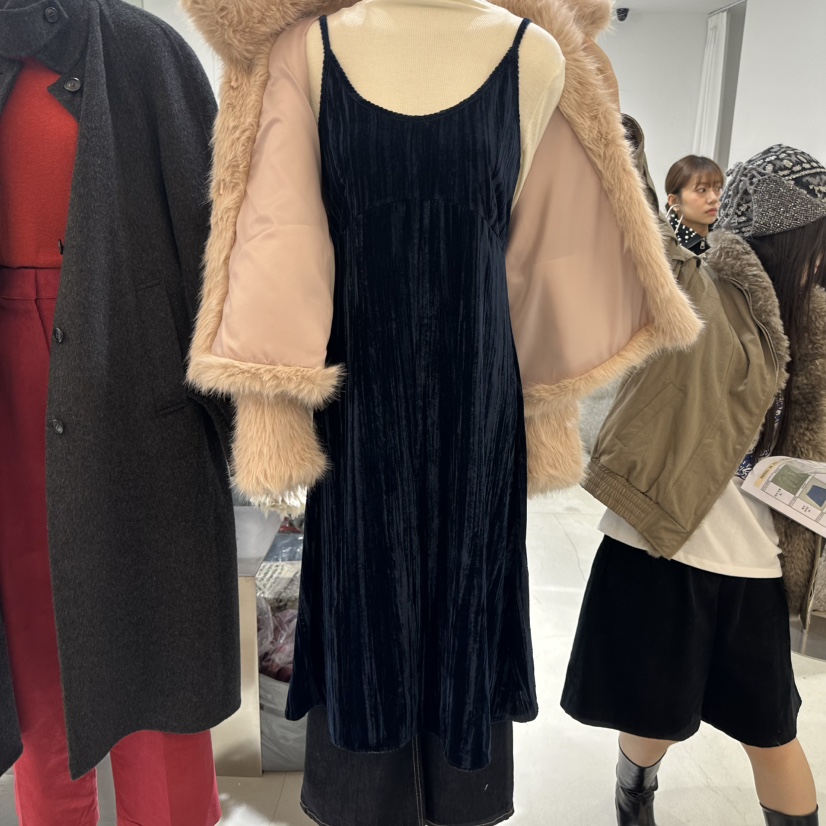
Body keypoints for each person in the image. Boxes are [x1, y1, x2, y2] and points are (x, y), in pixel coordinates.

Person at [182, 0, 701, 822]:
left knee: (469, 588)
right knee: (364, 597)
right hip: (360, 399)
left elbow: (543, 254)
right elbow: (284, 233)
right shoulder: (308, 51)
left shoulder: (533, 53)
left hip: (478, 394)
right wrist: (276, 398)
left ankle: (461, 796)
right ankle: (366, 797)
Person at [0, 0, 239, 823]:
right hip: (9, 394)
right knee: (35, 648)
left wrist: (254, 420)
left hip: (137, 382)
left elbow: (221, 243)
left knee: (156, 640)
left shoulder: (143, 49)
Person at [562, 143, 826, 826]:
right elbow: (632, 237)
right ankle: (634, 790)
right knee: (654, 716)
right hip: (662, 541)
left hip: (756, 560)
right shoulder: (694, 287)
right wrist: (611, 136)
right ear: (788, 235)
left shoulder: (814, 322)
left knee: (772, 731)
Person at [665, 155, 725, 254]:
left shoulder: (731, 244)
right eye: (702, 190)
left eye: (718, 188)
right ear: (674, 201)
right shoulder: (660, 245)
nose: (713, 198)